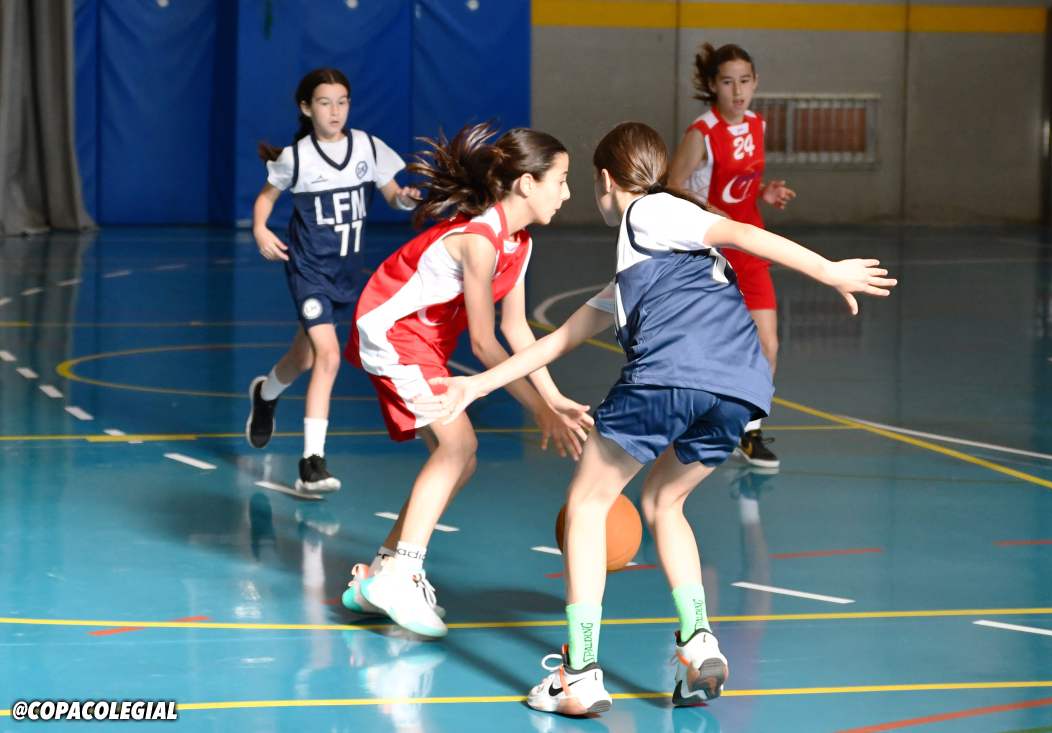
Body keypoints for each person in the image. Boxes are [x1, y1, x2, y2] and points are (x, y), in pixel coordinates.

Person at [417, 122, 894, 714]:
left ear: (606, 180)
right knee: (665, 503)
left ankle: (579, 673)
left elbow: (743, 231)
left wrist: (827, 270)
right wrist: (476, 384)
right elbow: (559, 340)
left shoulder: (651, 212)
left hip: (673, 374)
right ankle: (698, 644)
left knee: (588, 503)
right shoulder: (639, 266)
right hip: (742, 389)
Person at [341, 122, 593, 638]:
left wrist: (552, 398)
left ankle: (382, 572)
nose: (568, 194)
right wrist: (537, 408)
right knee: (458, 445)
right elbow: (483, 343)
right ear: (527, 183)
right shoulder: (478, 240)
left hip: (423, 344)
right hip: (391, 334)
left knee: (463, 457)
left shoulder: (519, 244)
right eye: (562, 180)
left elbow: (517, 329)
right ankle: (403, 575)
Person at [246, 68, 420, 493]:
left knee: (303, 359)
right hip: (308, 270)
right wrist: (260, 229)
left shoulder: (366, 147)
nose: (335, 110)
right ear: (307, 108)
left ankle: (265, 395)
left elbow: (393, 195)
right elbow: (266, 198)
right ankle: (312, 463)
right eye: (325, 102)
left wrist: (406, 199)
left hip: (345, 273)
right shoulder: (297, 157)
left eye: (342, 101)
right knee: (328, 356)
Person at [668, 43, 794, 469]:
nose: (737, 91)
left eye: (744, 80)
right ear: (712, 85)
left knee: (768, 344)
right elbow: (671, 188)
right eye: (727, 82)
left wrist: (763, 192)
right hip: (710, 251)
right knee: (708, 348)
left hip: (750, 245)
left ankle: (748, 431)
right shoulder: (701, 133)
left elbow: (740, 184)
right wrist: (711, 209)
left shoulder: (757, 124)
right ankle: (693, 421)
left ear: (755, 82)